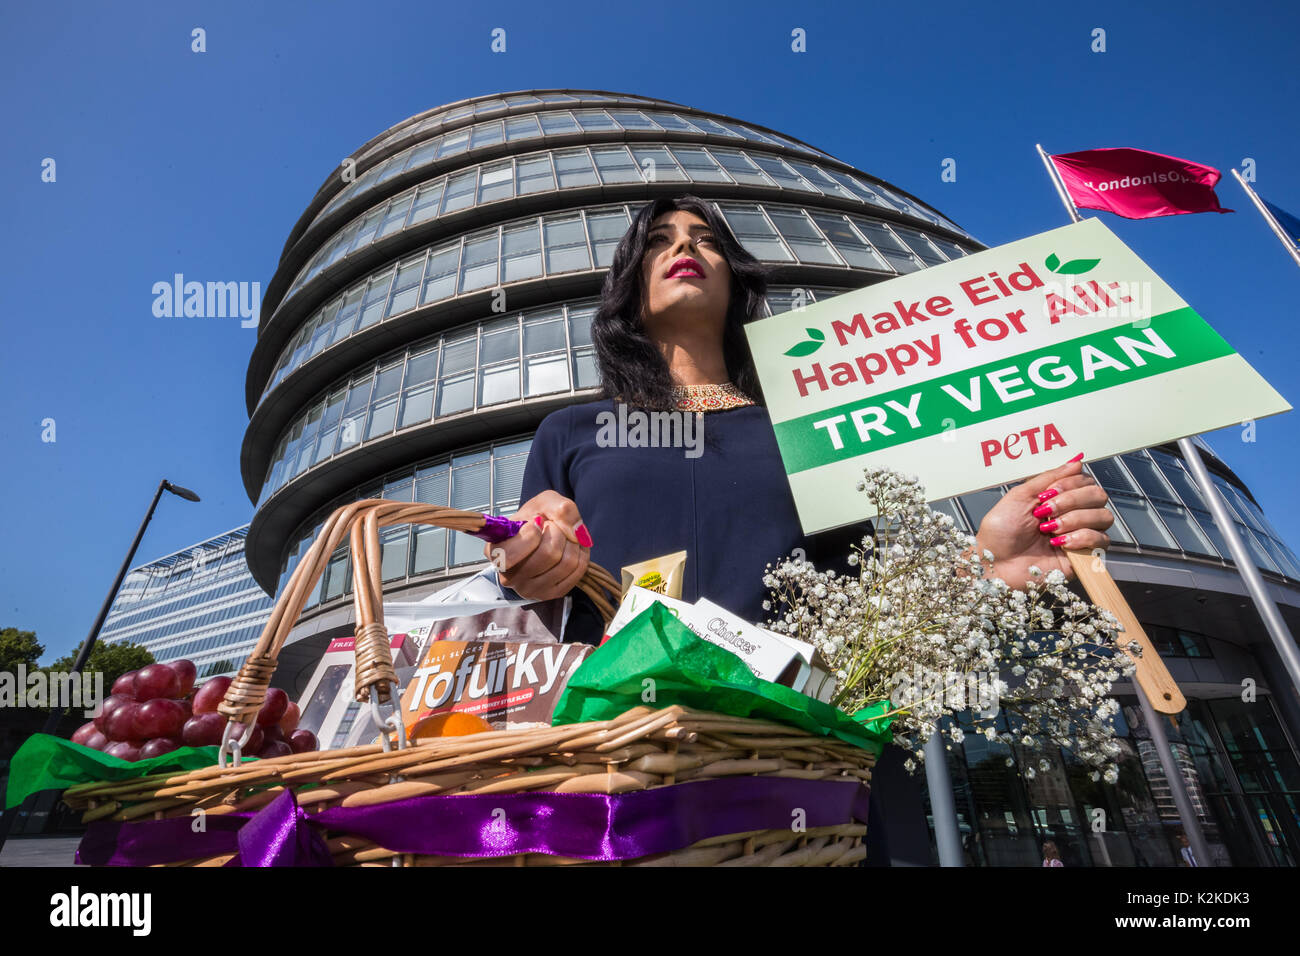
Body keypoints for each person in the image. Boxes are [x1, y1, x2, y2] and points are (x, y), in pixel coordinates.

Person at [485, 194, 1116, 862]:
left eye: (706, 240)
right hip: (620, 776)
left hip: (806, 770)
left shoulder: (813, 431)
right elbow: (536, 599)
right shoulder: (572, 433)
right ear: (627, 289)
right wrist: (525, 556)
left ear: (735, 283)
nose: (684, 249)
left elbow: (866, 614)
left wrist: (988, 563)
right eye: (659, 240)